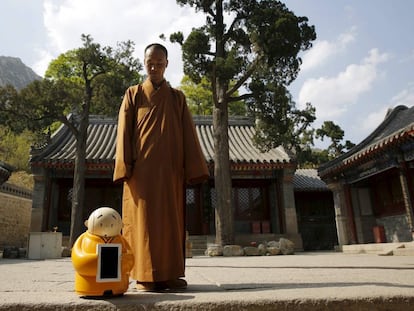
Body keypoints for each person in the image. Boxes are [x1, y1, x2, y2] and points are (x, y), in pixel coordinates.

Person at [113, 43, 209, 292]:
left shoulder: (177, 98)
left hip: (170, 172)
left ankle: (169, 274)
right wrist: (125, 166)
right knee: (143, 224)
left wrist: (191, 168)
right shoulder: (133, 94)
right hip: (141, 174)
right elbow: (123, 132)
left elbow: (188, 133)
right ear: (144, 63)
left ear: (167, 64)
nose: (154, 67)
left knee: (170, 222)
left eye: (159, 63)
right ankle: (145, 276)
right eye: (149, 63)